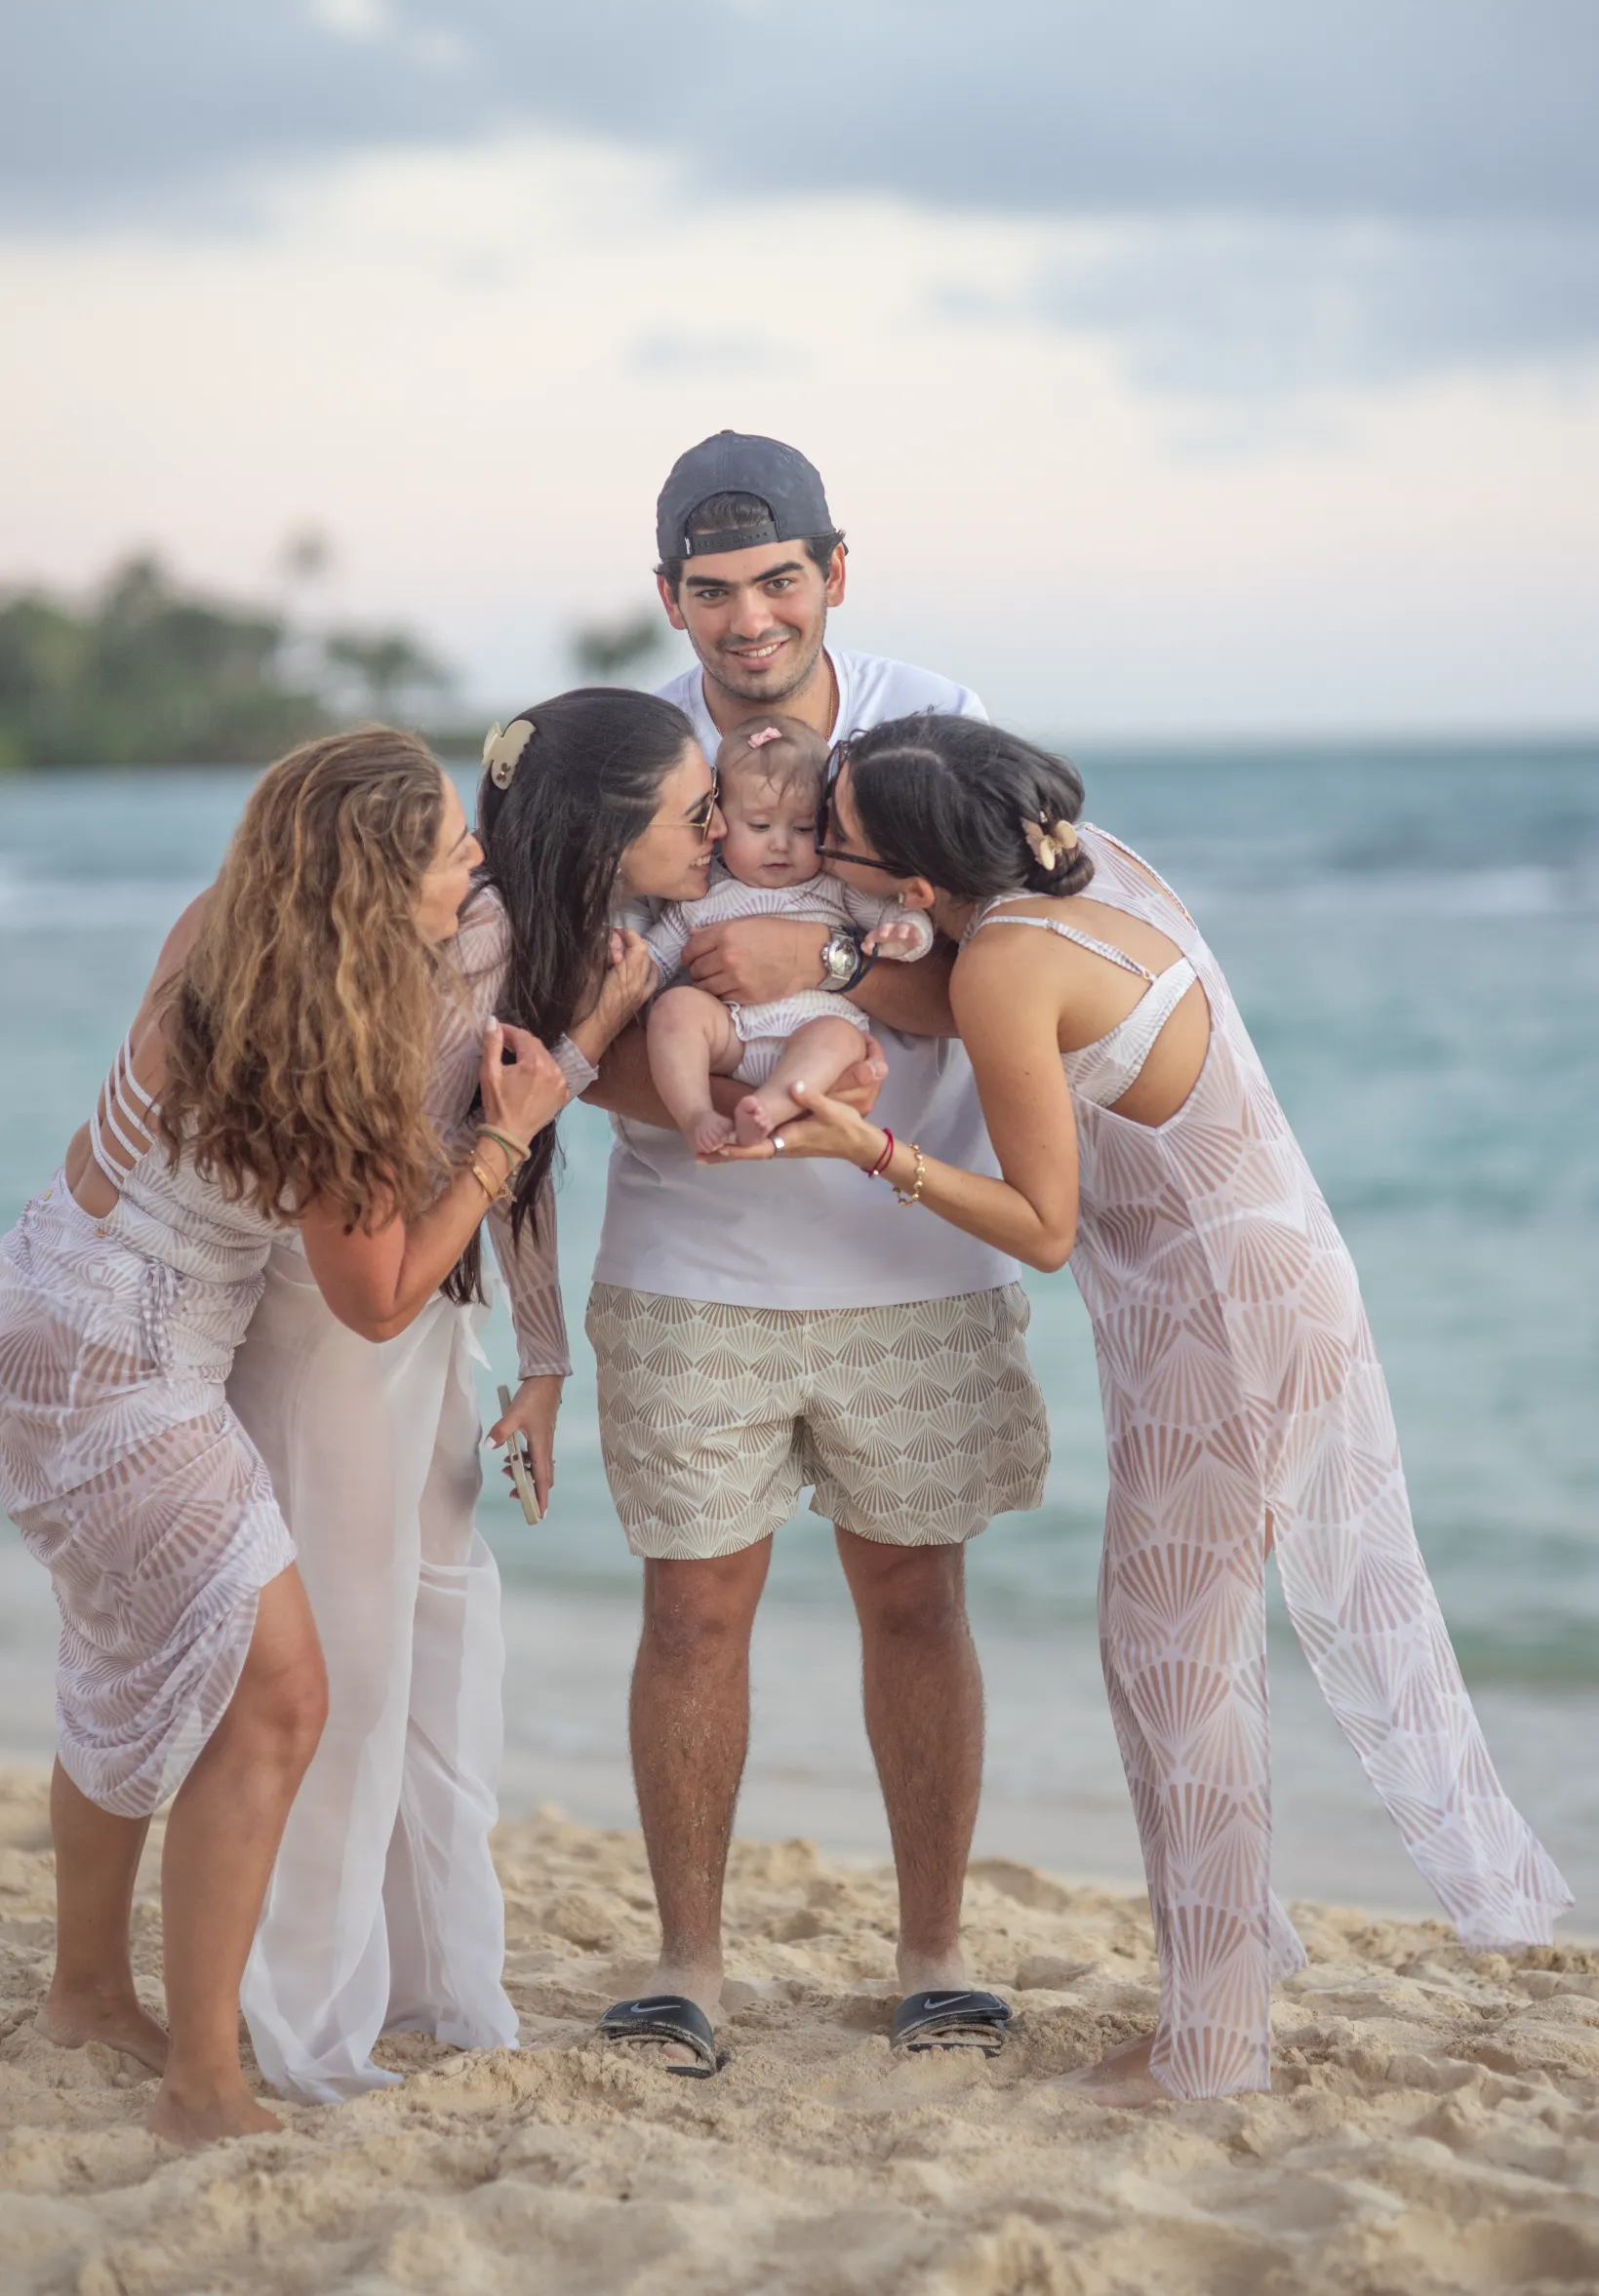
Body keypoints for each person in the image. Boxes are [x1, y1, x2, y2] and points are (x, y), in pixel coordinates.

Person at [732, 710, 1572, 2104]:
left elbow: (1043, 1226)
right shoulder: (1090, 870)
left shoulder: (1000, 962)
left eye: (839, 837)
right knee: (1171, 1654)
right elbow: (968, 998)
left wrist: (867, 1147)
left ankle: (1208, 2046)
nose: (818, 843)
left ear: (921, 889)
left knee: (1173, 1665)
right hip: (1274, 1273)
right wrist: (836, 959)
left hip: (1220, 1322)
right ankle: (1236, 1954)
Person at [0, 728, 567, 2144]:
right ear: (372, 886)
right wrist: (509, 1132)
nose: (477, 858)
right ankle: (203, 2082)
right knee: (280, 1698)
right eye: (450, 846)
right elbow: (376, 1300)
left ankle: (84, 1992)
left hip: (48, 1294)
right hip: (123, 1366)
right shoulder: (343, 1029)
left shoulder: (228, 924)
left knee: (131, 1654)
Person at [570, 432, 1051, 2077]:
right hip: (688, 1256)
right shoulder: (634, 756)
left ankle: (935, 1956)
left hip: (909, 1254)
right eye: (711, 591)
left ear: (832, 572)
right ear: (667, 600)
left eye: (777, 581)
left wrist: (818, 947)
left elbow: (1007, 968)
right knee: (689, 1614)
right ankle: (682, 1966)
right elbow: (577, 1024)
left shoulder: (931, 722)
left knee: (915, 1599)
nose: (748, 618)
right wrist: (719, 1103)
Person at [229, 721, 655, 2107]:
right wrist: (584, 1042)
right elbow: (485, 1140)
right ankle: (307, 2022)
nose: (713, 836)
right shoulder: (452, 949)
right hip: (340, 1320)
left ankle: (437, 1984)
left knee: (442, 1650)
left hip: (430, 1320)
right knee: (348, 1672)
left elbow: (513, 1150)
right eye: (693, 811)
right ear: (607, 827)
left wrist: (539, 1361)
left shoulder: (545, 937)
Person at [643, 712, 932, 1154]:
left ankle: (768, 1108)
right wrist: (627, 961)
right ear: (720, 824)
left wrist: (907, 934)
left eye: (802, 828)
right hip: (730, 1037)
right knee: (675, 1008)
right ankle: (696, 1112)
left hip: (812, 1037)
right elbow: (653, 964)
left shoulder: (837, 888)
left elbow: (898, 917)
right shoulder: (701, 895)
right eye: (760, 826)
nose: (780, 843)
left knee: (842, 1037)